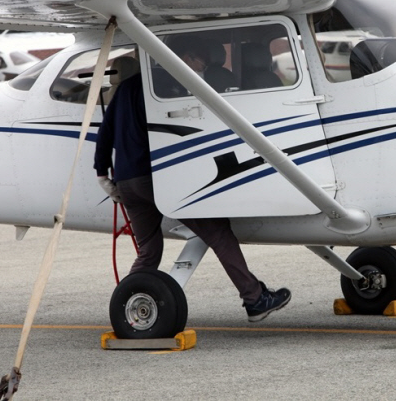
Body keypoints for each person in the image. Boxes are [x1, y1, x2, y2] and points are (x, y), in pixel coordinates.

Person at [93, 53, 291, 323]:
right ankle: (255, 299)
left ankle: (126, 307)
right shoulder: (166, 83)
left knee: (149, 252)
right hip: (157, 180)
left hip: (127, 183)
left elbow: (104, 133)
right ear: (185, 56)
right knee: (219, 234)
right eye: (202, 62)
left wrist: (102, 174)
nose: (204, 67)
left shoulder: (125, 89)